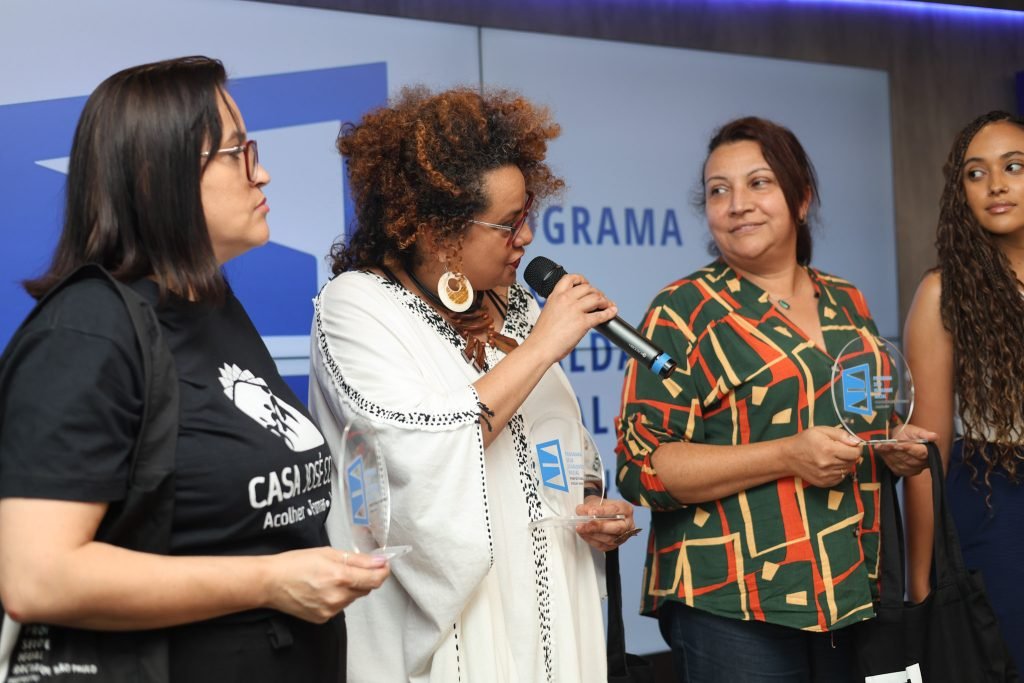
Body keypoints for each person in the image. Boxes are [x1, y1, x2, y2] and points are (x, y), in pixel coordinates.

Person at [0, 56, 389, 683]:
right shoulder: (87, 331)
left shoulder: (211, 305)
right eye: (238, 152)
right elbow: (38, 577)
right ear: (162, 178)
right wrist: (268, 581)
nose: (262, 173)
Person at [308, 86, 638, 683]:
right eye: (509, 224)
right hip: (460, 626)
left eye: (529, 214)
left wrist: (588, 503)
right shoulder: (356, 305)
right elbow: (412, 453)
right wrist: (542, 347)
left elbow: (556, 444)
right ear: (439, 231)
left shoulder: (513, 307)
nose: (527, 238)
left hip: (555, 612)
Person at [615, 116, 934, 682]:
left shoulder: (846, 302)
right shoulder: (682, 311)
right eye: (719, 190)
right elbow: (644, 468)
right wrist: (786, 454)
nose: (738, 204)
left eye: (758, 183)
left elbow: (857, 425)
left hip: (849, 590)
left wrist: (889, 446)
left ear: (801, 197)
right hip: (730, 601)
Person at [903, 111, 1024, 666]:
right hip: (997, 504)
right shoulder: (943, 292)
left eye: (1013, 167)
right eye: (976, 174)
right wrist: (923, 580)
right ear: (960, 193)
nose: (996, 185)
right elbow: (929, 449)